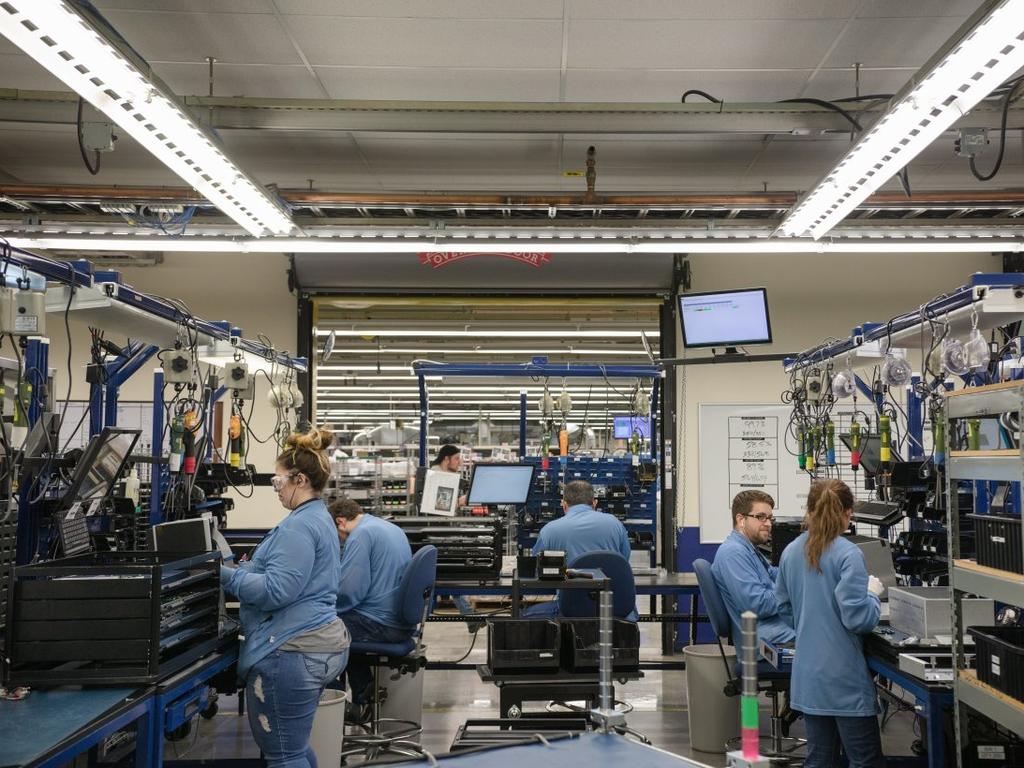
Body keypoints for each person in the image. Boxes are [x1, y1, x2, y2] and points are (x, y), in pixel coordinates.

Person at [221, 428, 349, 768]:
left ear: (300, 479)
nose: (276, 490)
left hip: (293, 650)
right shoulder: (316, 517)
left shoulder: (298, 527)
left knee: (283, 752)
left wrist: (223, 576)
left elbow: (277, 592)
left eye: (278, 483)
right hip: (314, 642)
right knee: (291, 748)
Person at [776, 479, 886, 768]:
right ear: (848, 514)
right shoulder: (849, 554)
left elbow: (784, 609)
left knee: (819, 761)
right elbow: (858, 619)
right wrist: (873, 596)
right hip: (843, 680)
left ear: (809, 511)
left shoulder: (790, 552)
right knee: (865, 762)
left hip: (809, 677)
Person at [332, 498, 414, 722]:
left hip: (380, 624)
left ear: (340, 522)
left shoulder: (361, 535)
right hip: (400, 624)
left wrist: (324, 606)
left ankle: (339, 708)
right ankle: (364, 694)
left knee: (320, 631)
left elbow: (349, 592)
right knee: (344, 628)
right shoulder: (390, 528)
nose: (338, 544)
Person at [525, 480, 633, 617]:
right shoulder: (615, 523)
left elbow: (535, 568)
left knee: (523, 616)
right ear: (594, 503)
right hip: (615, 608)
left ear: (564, 505)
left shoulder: (549, 530)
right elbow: (623, 560)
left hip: (571, 609)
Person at [711, 490, 795, 648]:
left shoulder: (749, 548)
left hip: (774, 628)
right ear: (741, 519)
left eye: (770, 518)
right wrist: (793, 591)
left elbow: (773, 573)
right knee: (827, 641)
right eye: (761, 517)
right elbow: (757, 605)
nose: (769, 524)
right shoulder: (733, 553)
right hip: (765, 640)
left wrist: (799, 573)